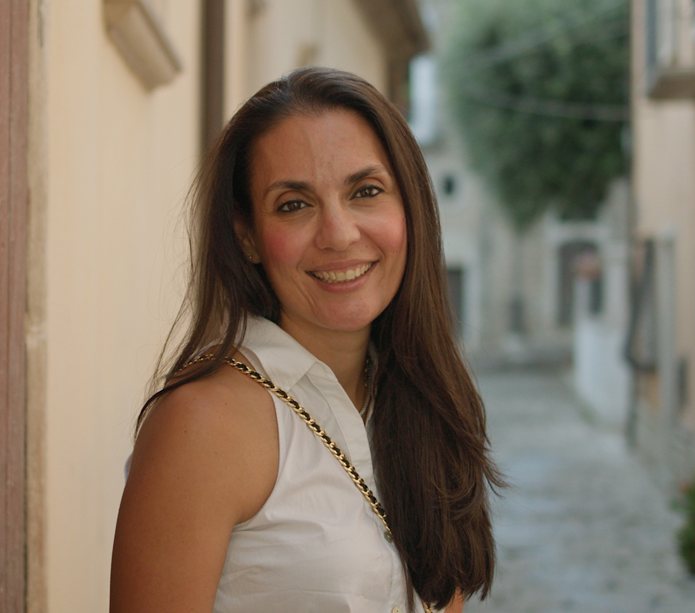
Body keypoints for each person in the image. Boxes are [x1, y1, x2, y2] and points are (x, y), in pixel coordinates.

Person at [109, 67, 502, 613]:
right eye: (294, 204)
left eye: (366, 192)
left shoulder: (424, 404)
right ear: (247, 235)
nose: (338, 234)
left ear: (410, 208)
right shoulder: (202, 426)